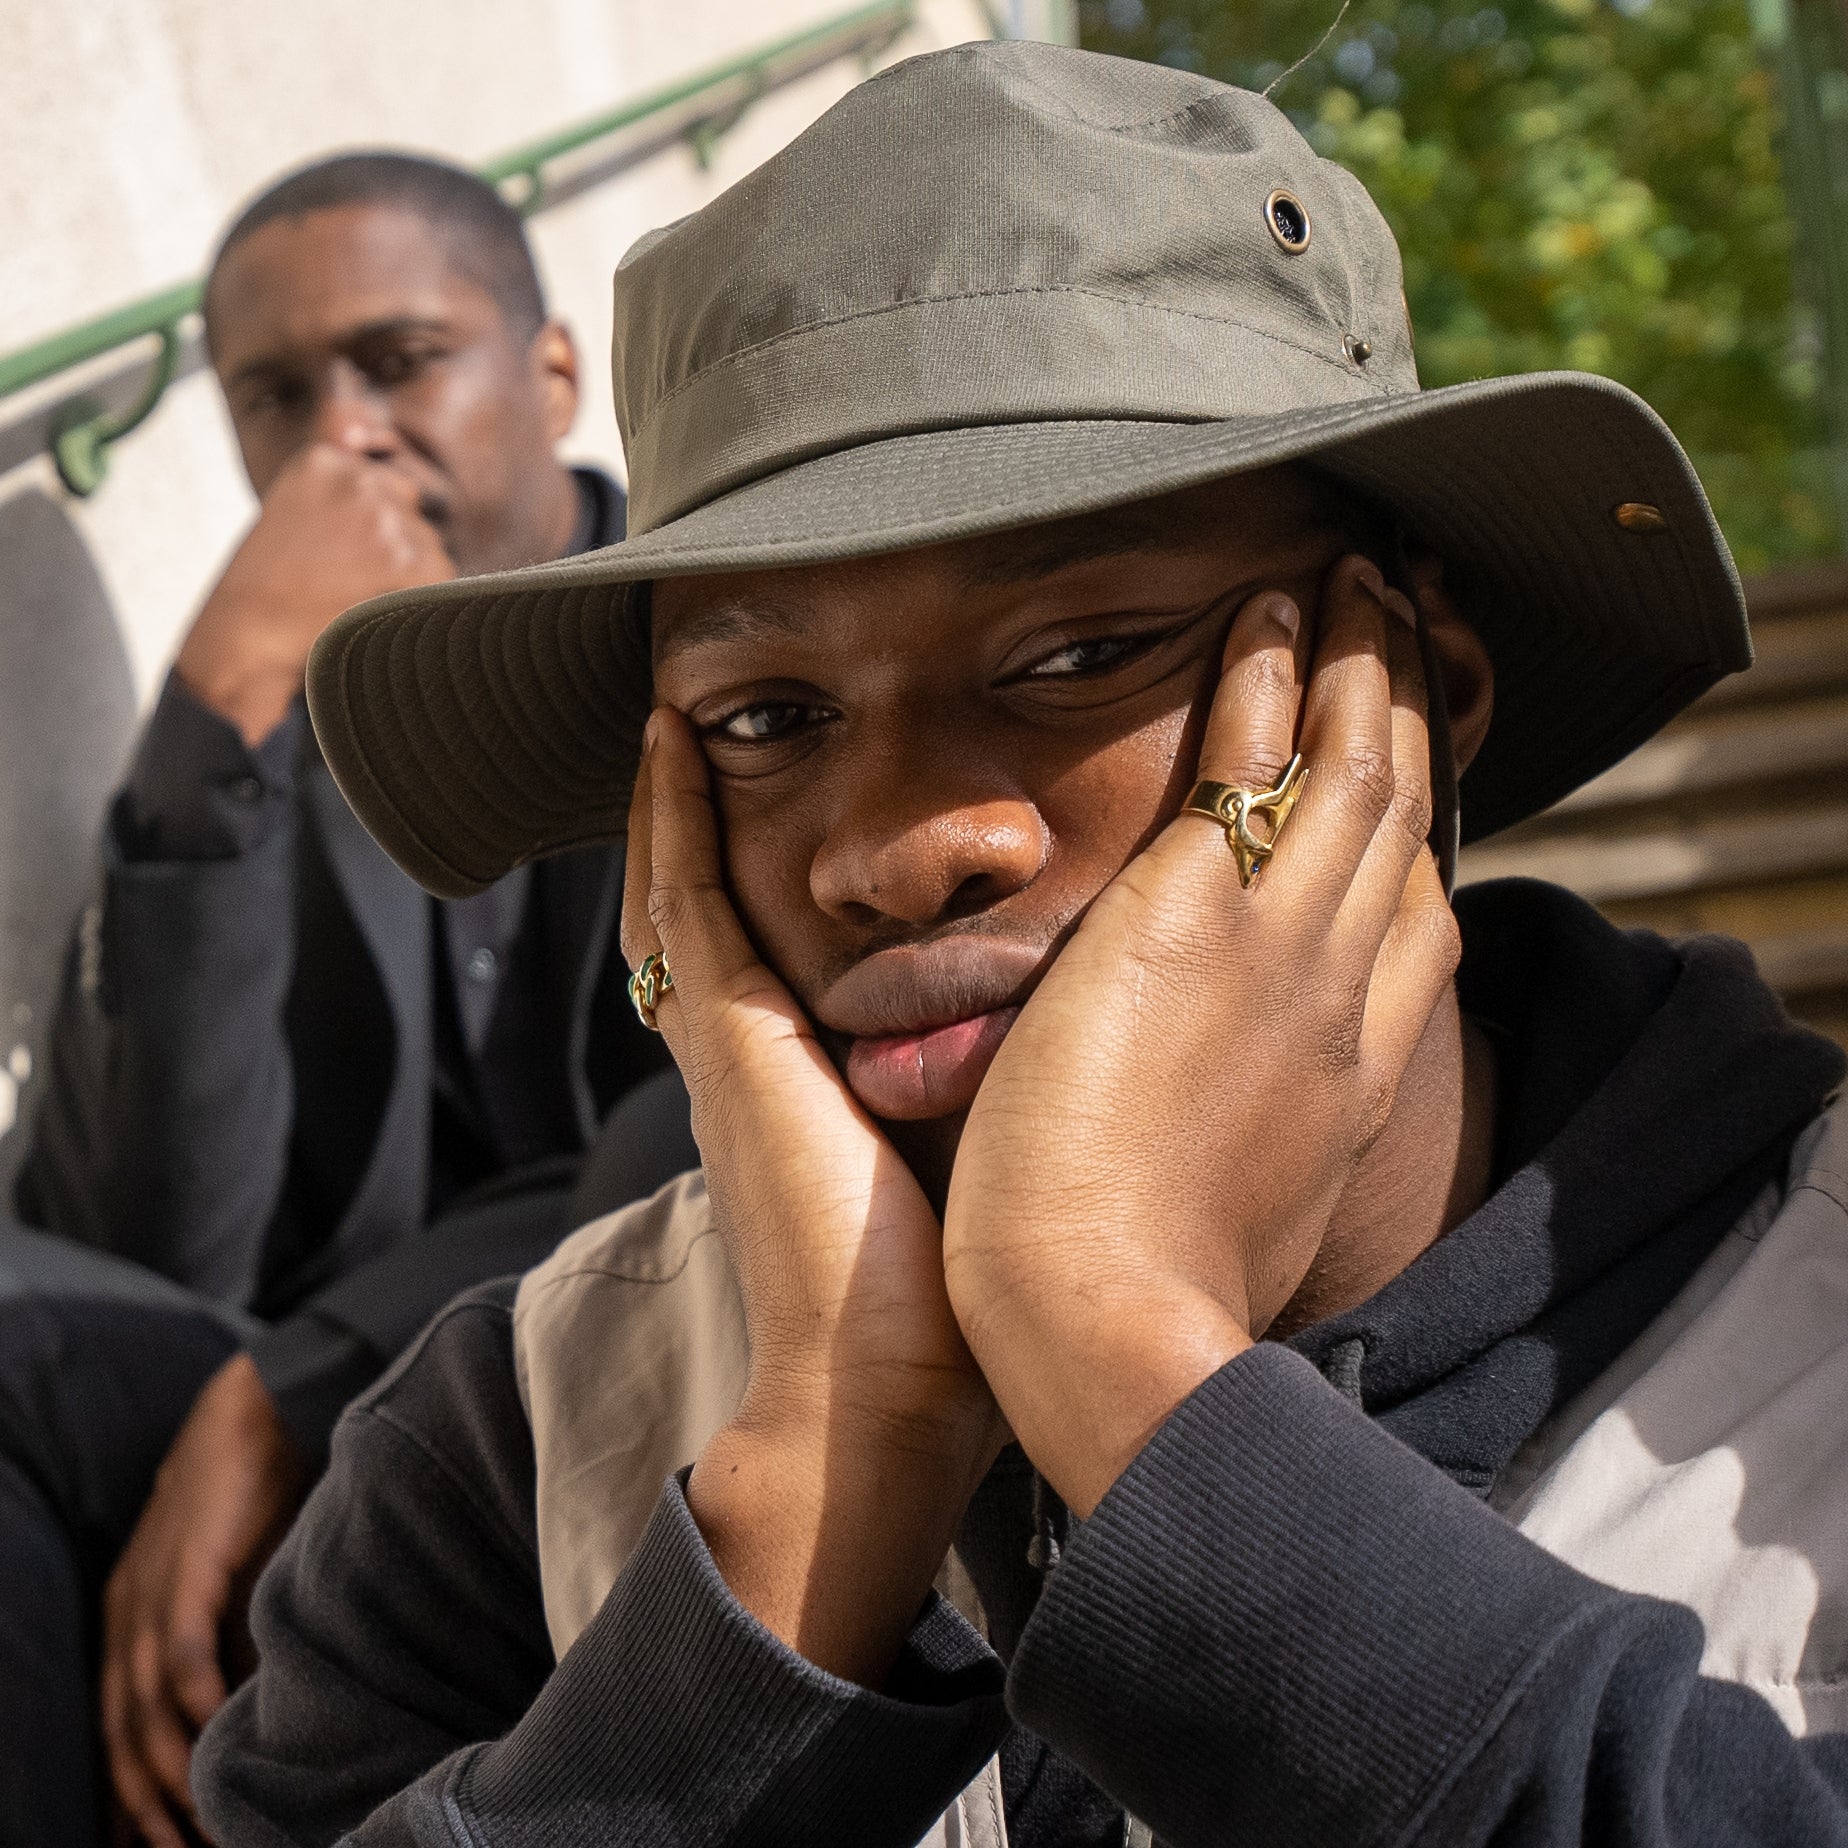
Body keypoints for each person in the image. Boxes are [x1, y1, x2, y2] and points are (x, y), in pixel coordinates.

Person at [198, 43, 1848, 1847]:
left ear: (1416, 696)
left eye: (1077, 657)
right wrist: (814, 1498)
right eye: (767, 719)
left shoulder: (1808, 1327)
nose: (902, 853)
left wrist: (1119, 1357)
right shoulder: (515, 1434)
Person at [1, 152, 694, 1848]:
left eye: (398, 363)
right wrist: (213, 725)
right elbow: (153, 1242)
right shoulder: (279, 711)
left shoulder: (719, 641)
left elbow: (689, 1135)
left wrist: (301, 1384)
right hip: (291, 1402)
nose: (342, 441)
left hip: (635, 1356)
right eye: (274, 398)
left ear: (550, 376)